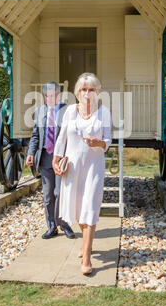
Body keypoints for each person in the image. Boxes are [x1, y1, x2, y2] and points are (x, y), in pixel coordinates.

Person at [52, 73, 112, 275]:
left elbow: (108, 140)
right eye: (83, 89)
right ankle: (86, 244)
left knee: (90, 208)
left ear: (97, 92)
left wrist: (99, 143)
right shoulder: (70, 111)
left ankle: (86, 256)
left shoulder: (104, 112)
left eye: (91, 89)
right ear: (77, 93)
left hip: (94, 168)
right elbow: (61, 138)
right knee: (77, 209)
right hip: (73, 168)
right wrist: (55, 158)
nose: (87, 93)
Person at [26, 82, 75, 240]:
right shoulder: (40, 112)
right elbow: (35, 136)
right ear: (45, 96)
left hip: (61, 159)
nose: (51, 98)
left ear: (58, 95)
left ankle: (64, 224)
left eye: (54, 95)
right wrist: (31, 153)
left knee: (60, 193)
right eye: (48, 95)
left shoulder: (66, 110)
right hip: (45, 159)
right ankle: (51, 227)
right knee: (48, 196)